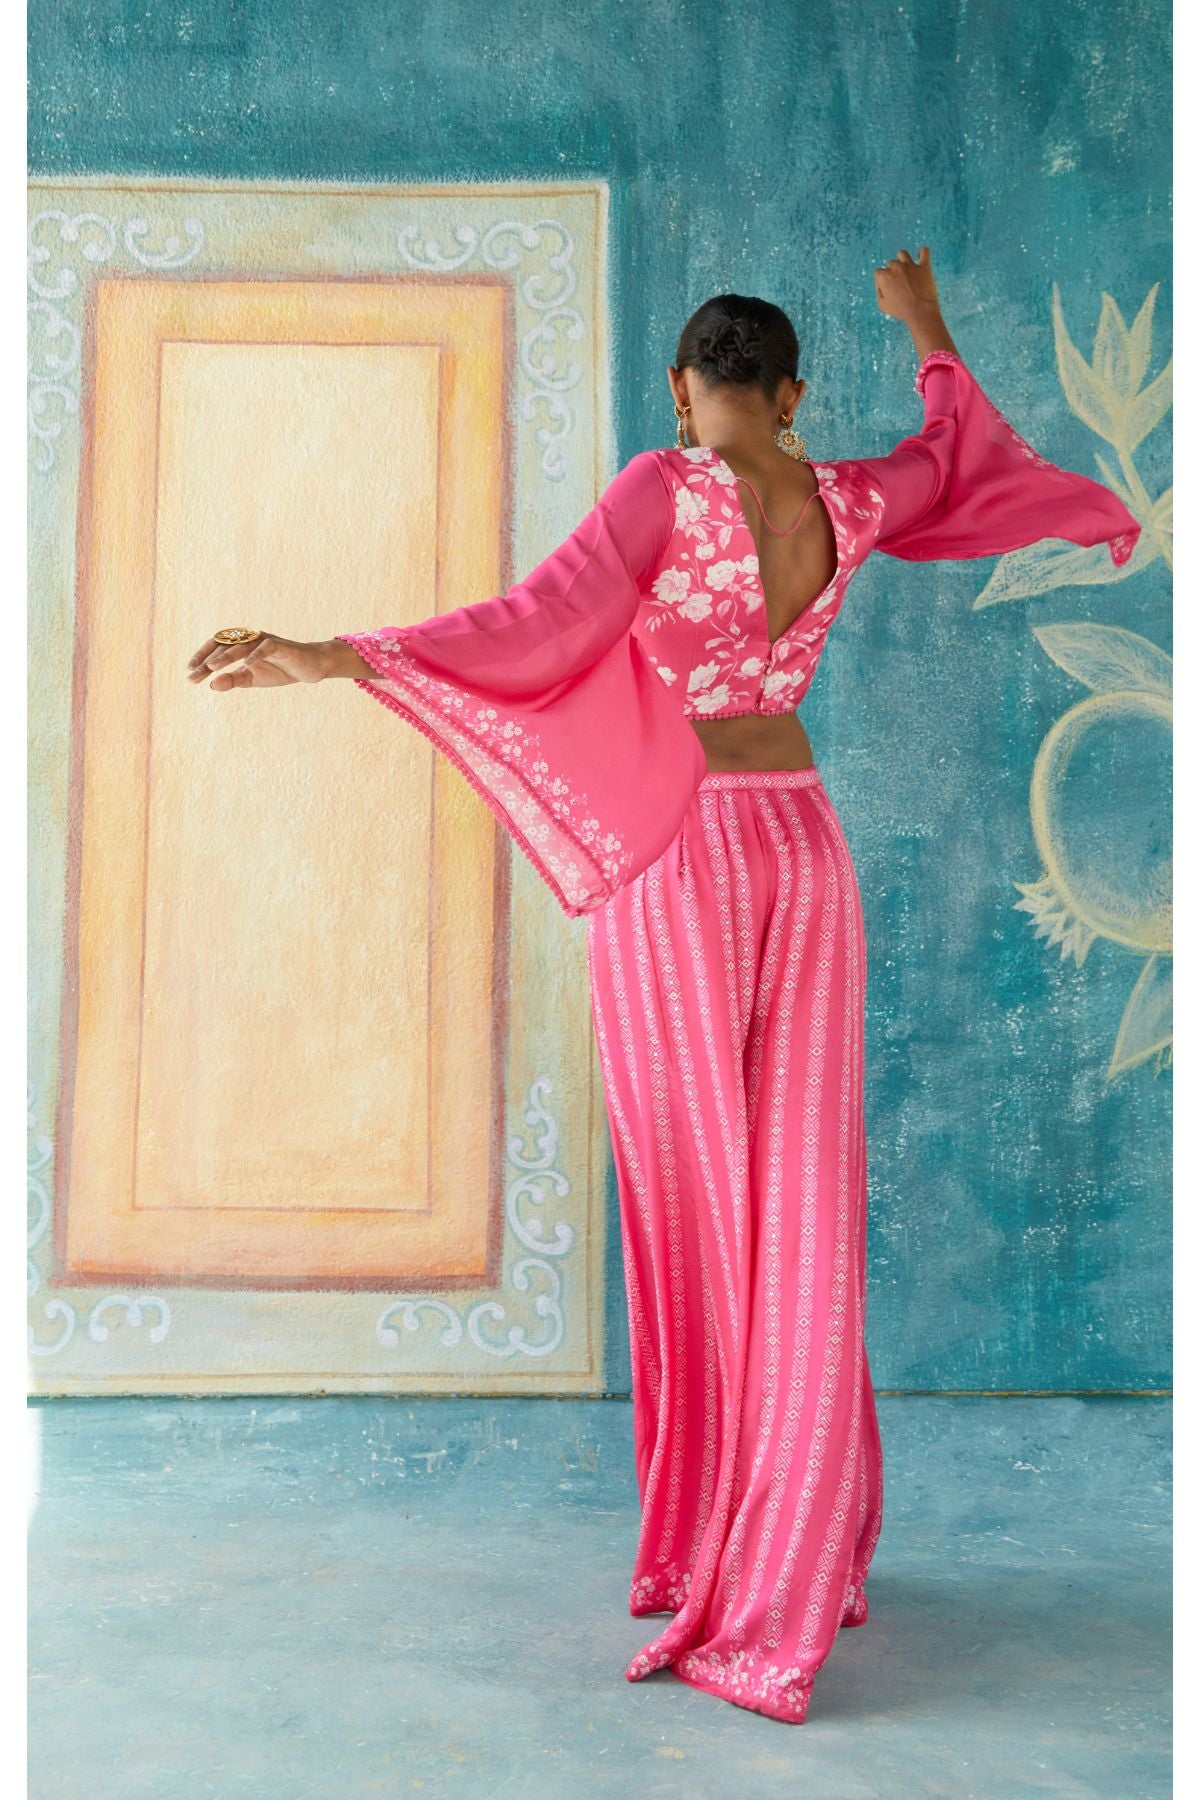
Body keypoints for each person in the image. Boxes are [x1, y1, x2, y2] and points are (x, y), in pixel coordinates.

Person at [185, 248, 1142, 1724]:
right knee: (802, 1202)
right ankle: (795, 1543)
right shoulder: (846, 501)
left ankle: (723, 1554)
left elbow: (532, 625)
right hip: (804, 847)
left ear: (687, 391)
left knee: (698, 1201)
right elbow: (957, 452)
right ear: (793, 395)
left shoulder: (664, 485)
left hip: (676, 853)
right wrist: (927, 325)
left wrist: (338, 656)